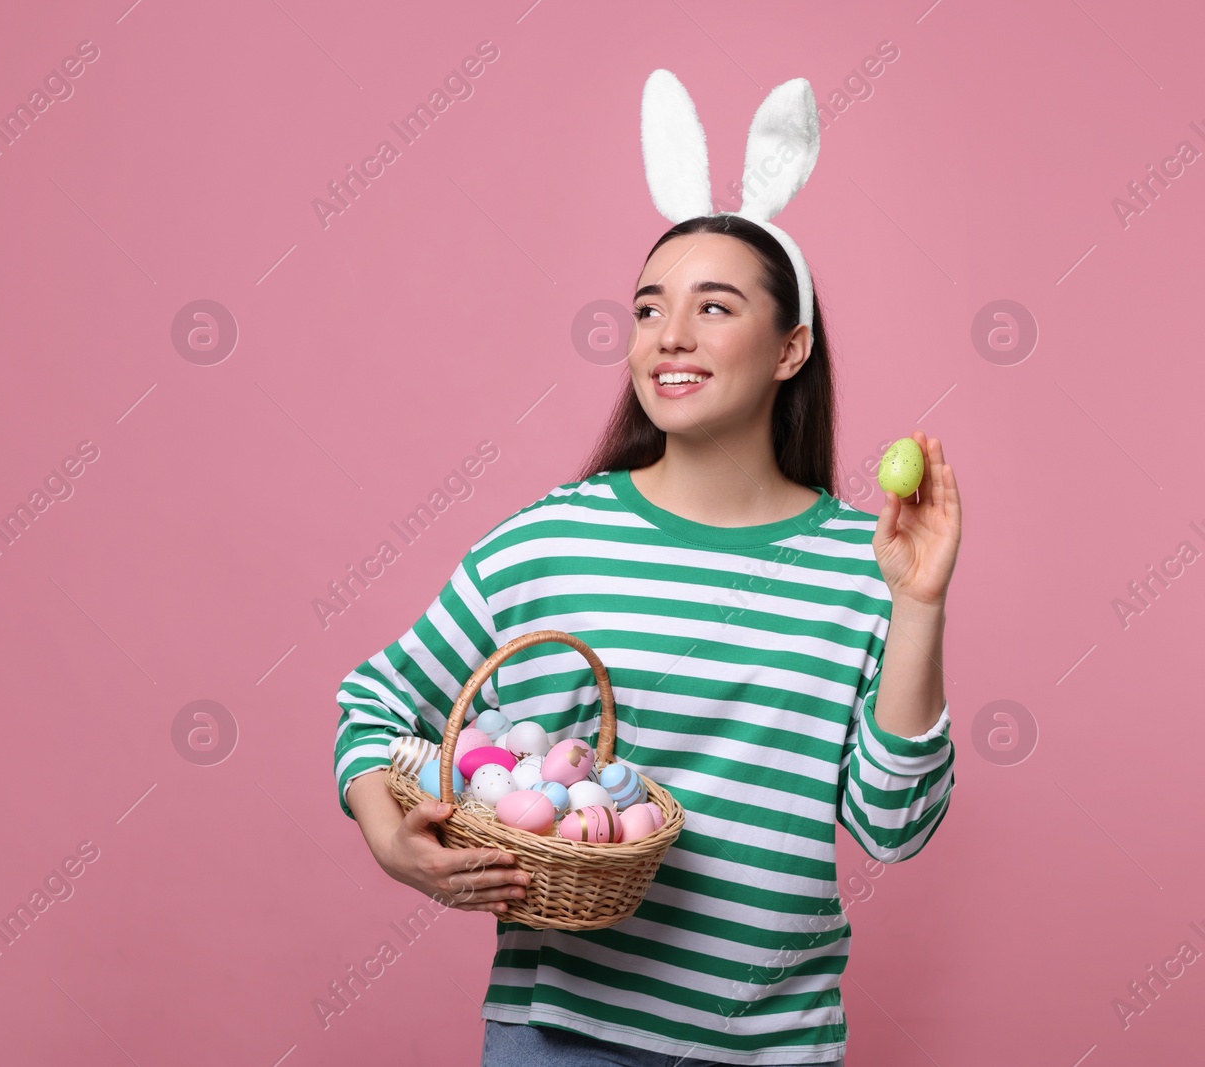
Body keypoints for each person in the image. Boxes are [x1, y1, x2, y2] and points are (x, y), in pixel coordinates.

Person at [331, 211, 962, 1065]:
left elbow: (895, 826)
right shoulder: (549, 542)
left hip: (776, 1044)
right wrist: (388, 841)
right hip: (562, 1036)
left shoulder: (868, 562)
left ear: (791, 349)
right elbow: (373, 704)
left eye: (714, 308)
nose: (669, 337)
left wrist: (919, 604)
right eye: (646, 310)